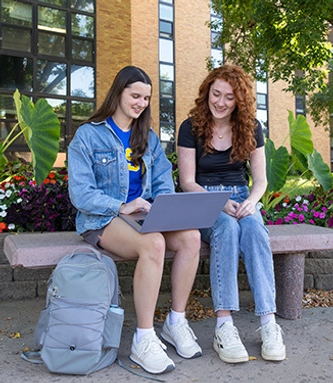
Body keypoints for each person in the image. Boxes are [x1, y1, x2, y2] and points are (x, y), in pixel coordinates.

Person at [67, 66, 202, 374]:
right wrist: (121, 205)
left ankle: (175, 321)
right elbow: (81, 193)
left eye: (146, 98)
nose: (141, 103)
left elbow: (164, 179)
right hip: (102, 218)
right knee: (153, 244)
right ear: (118, 92)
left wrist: (163, 207)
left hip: (143, 218)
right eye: (135, 95)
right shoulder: (89, 135)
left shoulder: (149, 137)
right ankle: (143, 339)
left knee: (191, 237)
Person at [177, 64, 286, 364]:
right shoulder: (191, 127)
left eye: (229, 97)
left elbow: (260, 180)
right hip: (203, 199)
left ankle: (268, 323)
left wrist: (252, 201)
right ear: (207, 92)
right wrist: (217, 202)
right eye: (216, 94)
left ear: (240, 100)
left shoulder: (251, 127)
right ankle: (224, 325)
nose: (221, 102)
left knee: (252, 229)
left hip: (242, 197)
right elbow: (187, 182)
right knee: (226, 227)